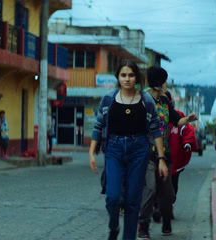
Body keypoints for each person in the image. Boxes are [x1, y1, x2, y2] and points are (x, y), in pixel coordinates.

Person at [89, 60, 168, 240]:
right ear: (118, 77)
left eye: (131, 75)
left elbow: (156, 130)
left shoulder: (146, 101)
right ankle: (114, 226)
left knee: (133, 201)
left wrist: (161, 159)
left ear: (137, 78)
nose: (127, 79)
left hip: (139, 151)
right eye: (123, 75)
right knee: (113, 197)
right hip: (114, 150)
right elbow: (98, 125)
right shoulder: (109, 99)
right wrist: (91, 153)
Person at [138, 66, 198, 239]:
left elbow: (176, 120)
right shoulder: (142, 100)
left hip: (166, 155)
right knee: (149, 189)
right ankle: (143, 225)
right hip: (147, 154)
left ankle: (166, 221)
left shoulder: (164, 101)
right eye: (164, 81)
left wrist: (189, 119)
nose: (166, 84)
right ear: (159, 81)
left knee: (168, 194)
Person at [169, 110, 198, 199]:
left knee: (173, 183)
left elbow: (187, 129)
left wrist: (188, 143)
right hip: (157, 157)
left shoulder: (176, 114)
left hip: (174, 161)